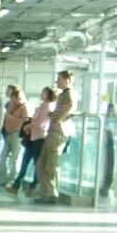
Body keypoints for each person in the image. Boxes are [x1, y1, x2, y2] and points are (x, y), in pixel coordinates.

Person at [35, 70, 75, 204]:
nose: (57, 81)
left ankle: (50, 194)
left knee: (50, 165)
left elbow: (71, 106)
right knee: (41, 165)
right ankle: (48, 192)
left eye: (59, 79)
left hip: (58, 132)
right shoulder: (64, 94)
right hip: (53, 131)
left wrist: (59, 119)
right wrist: (55, 116)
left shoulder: (70, 93)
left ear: (67, 80)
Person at [6, 87, 54, 196]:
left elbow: (41, 123)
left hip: (40, 138)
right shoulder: (41, 107)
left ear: (48, 95)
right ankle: (17, 184)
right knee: (25, 161)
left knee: (38, 164)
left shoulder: (48, 107)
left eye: (44, 93)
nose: (41, 94)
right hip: (33, 137)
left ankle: (33, 186)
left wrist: (29, 126)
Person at [0, 84, 30, 188]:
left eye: (15, 98)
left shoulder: (24, 107)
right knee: (3, 157)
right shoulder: (10, 106)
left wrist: (10, 118)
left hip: (17, 134)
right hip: (8, 134)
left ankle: (12, 180)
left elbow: (24, 121)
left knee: (15, 158)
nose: (13, 100)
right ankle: (3, 179)